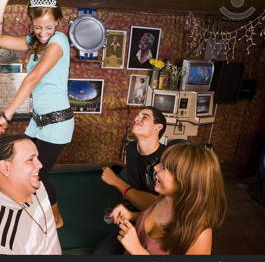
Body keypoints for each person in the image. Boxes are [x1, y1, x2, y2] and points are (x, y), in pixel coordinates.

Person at [0, 0, 74, 228]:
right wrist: (2, 0)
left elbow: (33, 78)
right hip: (38, 122)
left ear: (57, 21)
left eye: (49, 27)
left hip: (57, 123)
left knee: (38, 173)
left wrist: (6, 113)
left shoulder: (59, 41)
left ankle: (56, 219)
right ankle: (30, 206)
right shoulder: (35, 42)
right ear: (32, 23)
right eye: (38, 27)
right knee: (22, 165)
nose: (44, 32)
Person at [110, 143, 227, 254]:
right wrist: (131, 215)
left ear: (185, 182)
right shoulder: (163, 199)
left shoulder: (201, 235)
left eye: (165, 167)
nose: (156, 168)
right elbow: (154, 220)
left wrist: (138, 251)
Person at [0, 135, 61, 255]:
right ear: (5, 167)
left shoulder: (36, 184)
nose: (40, 165)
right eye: (30, 159)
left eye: (37, 157)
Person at [94, 106, 166, 254]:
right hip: (134, 218)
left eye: (144, 117)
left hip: (158, 226)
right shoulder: (131, 148)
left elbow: (159, 205)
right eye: (137, 115)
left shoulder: (167, 158)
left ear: (158, 127)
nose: (136, 118)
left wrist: (116, 181)